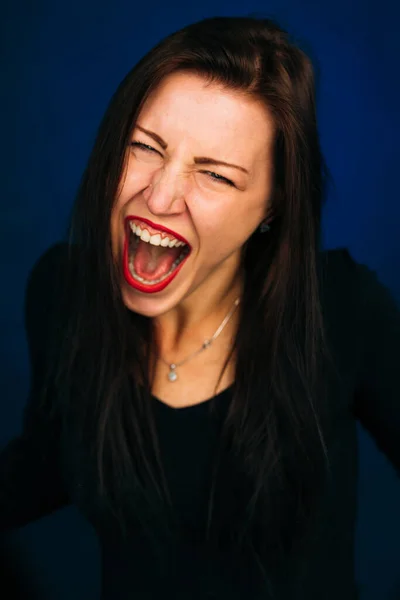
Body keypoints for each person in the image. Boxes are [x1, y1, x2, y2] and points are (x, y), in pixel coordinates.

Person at [1, 14, 399, 600]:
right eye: (143, 147)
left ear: (272, 208)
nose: (159, 196)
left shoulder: (342, 311)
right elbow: (51, 457)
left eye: (214, 175)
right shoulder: (62, 291)